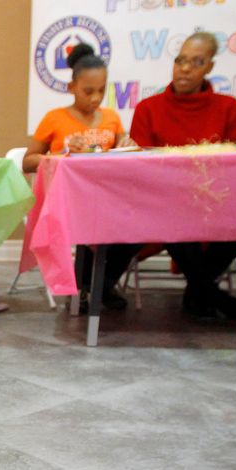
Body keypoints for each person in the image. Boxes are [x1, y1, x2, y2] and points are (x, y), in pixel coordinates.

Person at [130, 31, 236, 319]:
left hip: (213, 201)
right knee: (171, 215)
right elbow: (136, 164)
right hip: (161, 201)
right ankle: (212, 297)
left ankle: (199, 292)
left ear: (210, 67)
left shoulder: (228, 106)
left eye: (196, 62)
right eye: (180, 60)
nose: (185, 68)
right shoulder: (149, 108)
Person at [24, 43, 138, 311]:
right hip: (68, 201)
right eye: (88, 91)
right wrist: (62, 154)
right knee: (93, 223)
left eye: (101, 90)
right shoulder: (55, 119)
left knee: (137, 228)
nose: (95, 98)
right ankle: (91, 289)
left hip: (107, 197)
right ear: (71, 87)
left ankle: (100, 285)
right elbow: (28, 161)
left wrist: (124, 144)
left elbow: (120, 151)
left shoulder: (111, 118)